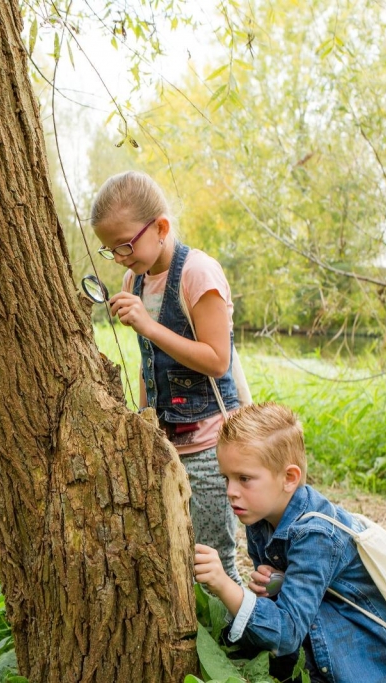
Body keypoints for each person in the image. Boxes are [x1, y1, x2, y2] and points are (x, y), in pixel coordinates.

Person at [91, 170, 242, 584]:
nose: (120, 258)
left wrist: (149, 326)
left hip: (210, 443)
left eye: (125, 245)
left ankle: (239, 643)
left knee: (214, 561)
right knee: (172, 555)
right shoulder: (133, 279)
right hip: (166, 444)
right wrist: (144, 418)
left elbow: (216, 361)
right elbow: (148, 361)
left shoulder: (198, 274)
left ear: (160, 227)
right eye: (110, 250)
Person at [193, 403, 386, 683]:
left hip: (353, 653)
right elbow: (288, 595)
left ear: (289, 478)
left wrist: (224, 584)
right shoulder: (260, 516)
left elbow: (286, 632)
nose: (231, 492)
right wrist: (276, 584)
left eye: (244, 479)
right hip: (318, 629)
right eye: (226, 478)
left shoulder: (315, 534)